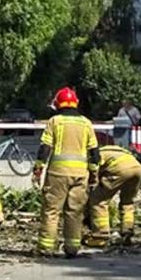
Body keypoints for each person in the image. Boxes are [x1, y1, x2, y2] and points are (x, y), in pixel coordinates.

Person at [33, 86, 100, 258]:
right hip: (80, 174)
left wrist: (38, 168)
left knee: (51, 210)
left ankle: (46, 247)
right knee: (75, 211)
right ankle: (72, 248)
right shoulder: (86, 123)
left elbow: (45, 148)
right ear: (76, 103)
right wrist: (93, 174)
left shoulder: (55, 121)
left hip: (58, 174)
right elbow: (94, 152)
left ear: (58, 104)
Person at [87, 142, 141, 247]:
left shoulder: (99, 152)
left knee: (99, 201)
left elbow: (94, 168)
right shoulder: (121, 150)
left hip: (119, 169)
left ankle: (101, 236)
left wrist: (93, 184)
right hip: (138, 169)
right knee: (127, 202)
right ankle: (127, 231)